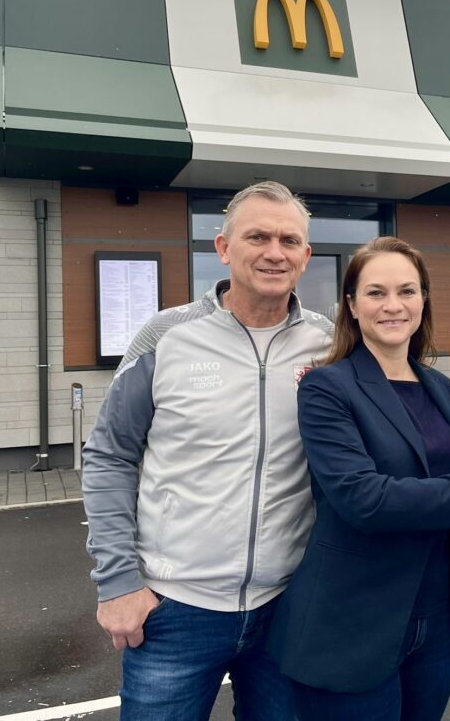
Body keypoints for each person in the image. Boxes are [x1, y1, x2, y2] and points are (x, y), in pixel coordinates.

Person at [82, 181, 333, 720]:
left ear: (306, 256)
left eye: (289, 240)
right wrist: (118, 582)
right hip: (173, 610)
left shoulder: (327, 344)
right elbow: (108, 456)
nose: (274, 252)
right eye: (257, 236)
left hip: (287, 608)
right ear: (223, 247)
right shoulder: (165, 336)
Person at [267, 236, 450, 720]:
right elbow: (362, 498)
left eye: (407, 291)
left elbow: (427, 473)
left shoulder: (439, 386)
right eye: (376, 293)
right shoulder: (326, 386)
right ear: (351, 306)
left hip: (434, 620)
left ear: (423, 300)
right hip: (351, 625)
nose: (393, 305)